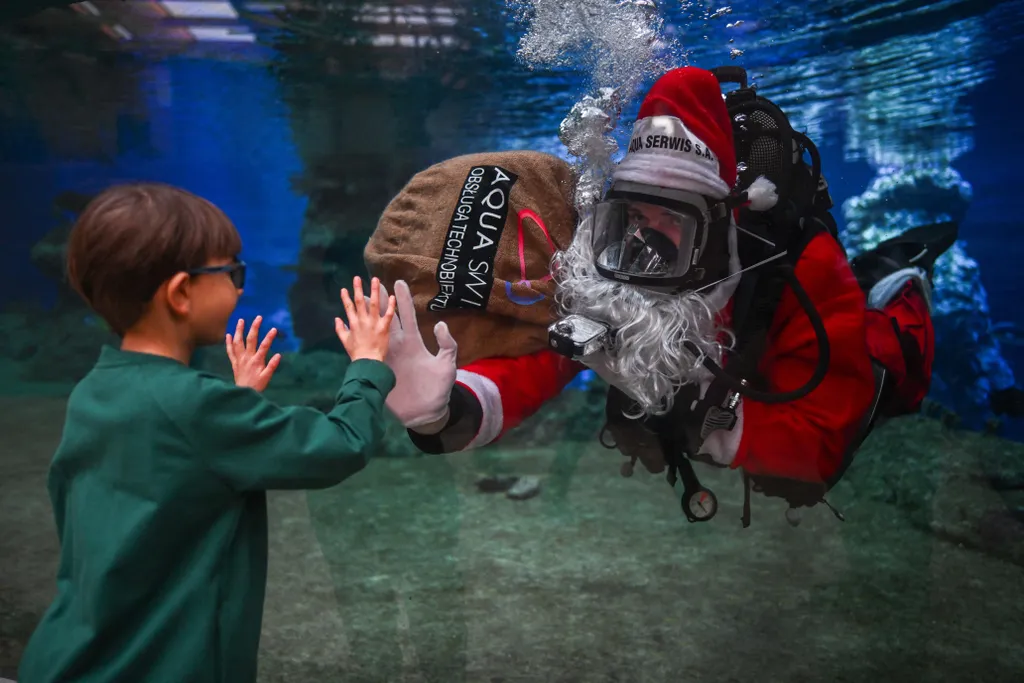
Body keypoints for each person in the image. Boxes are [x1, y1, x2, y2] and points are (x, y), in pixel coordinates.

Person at [368, 66, 954, 524]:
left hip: (802, 347)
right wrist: (448, 410)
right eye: (629, 218)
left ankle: (901, 273)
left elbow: (823, 447)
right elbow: (539, 362)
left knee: (895, 369)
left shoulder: (798, 263)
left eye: (672, 224)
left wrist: (691, 413)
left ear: (720, 226)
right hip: (721, 385)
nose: (644, 245)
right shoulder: (607, 257)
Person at [18, 182, 397, 683]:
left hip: (70, 658)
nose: (240, 286)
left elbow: (174, 470)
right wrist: (368, 363)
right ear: (180, 292)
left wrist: (239, 406)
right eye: (231, 271)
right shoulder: (198, 408)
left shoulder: (95, 391)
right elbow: (339, 445)